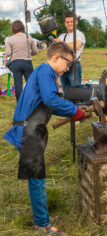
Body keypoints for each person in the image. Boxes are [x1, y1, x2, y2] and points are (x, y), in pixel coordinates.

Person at [3, 42, 90, 235]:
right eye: (68, 64)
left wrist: (71, 110)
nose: (68, 68)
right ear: (56, 58)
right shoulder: (45, 71)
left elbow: (49, 102)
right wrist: (75, 111)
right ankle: (42, 224)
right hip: (29, 132)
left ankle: (41, 216)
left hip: (32, 130)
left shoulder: (45, 73)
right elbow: (51, 100)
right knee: (37, 179)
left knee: (37, 177)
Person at [5, 20, 38, 101]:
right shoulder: (29, 37)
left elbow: (8, 53)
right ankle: (32, 101)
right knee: (30, 83)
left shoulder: (9, 39)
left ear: (13, 29)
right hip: (27, 62)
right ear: (22, 27)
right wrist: (30, 54)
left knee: (18, 84)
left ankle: (20, 103)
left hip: (15, 63)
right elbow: (35, 51)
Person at [55, 12, 85, 94]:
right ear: (65, 23)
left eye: (72, 21)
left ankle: (75, 107)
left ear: (76, 22)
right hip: (63, 66)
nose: (70, 23)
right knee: (65, 91)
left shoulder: (79, 34)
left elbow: (75, 46)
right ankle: (67, 106)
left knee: (75, 92)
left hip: (74, 65)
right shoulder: (62, 36)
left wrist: (61, 43)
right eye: (67, 22)